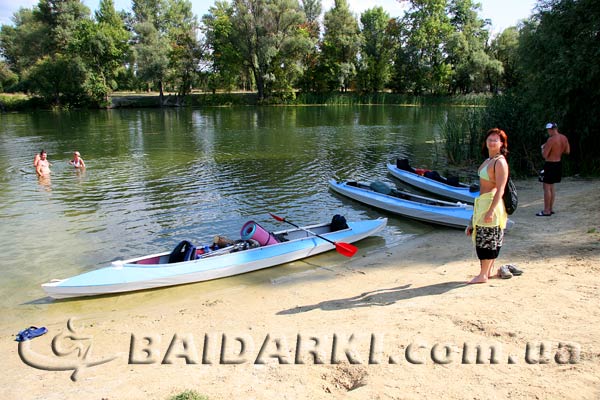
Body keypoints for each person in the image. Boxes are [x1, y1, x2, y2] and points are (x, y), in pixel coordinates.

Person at [466, 128, 510, 284]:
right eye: (490, 139)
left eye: (495, 140)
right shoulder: (488, 160)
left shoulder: (500, 162)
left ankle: (483, 275)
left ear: (501, 143)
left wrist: (491, 210)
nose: (492, 143)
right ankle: (488, 272)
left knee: (488, 238)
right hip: (482, 202)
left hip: (491, 202)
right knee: (482, 236)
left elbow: (501, 189)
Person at [537, 122, 570, 216]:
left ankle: (546, 211)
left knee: (546, 187)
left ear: (551, 129)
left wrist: (543, 148)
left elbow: (544, 155)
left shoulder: (551, 139)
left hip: (550, 164)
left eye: (548, 130)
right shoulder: (564, 138)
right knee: (552, 187)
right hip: (558, 163)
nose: (548, 132)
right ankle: (550, 209)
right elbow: (567, 151)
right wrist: (558, 150)